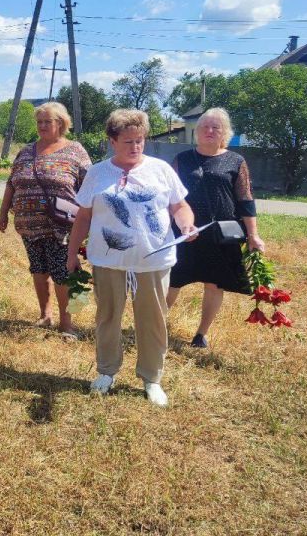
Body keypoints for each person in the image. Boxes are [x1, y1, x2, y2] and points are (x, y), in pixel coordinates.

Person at [66, 109, 197, 407]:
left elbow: (180, 206)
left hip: (153, 261)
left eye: (140, 140)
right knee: (108, 318)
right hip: (108, 261)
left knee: (153, 321)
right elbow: (83, 216)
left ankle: (152, 378)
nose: (136, 146)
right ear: (112, 141)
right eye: (128, 141)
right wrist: (72, 253)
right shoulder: (98, 173)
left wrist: (186, 224)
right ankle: (106, 372)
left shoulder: (161, 169)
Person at [166, 107, 265, 348]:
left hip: (221, 233)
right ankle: (154, 325)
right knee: (173, 280)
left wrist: (253, 234)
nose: (210, 131)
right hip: (185, 231)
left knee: (214, 283)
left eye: (216, 127)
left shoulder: (235, 161)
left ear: (225, 133)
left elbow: (245, 199)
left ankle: (201, 334)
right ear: (196, 132)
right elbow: (170, 197)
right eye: (204, 127)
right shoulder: (182, 159)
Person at [0, 101, 91, 338]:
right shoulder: (26, 150)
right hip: (28, 225)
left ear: (61, 123)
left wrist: (89, 218)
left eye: (47, 121)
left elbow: (90, 186)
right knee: (38, 270)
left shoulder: (75, 151)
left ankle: (67, 324)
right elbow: (11, 183)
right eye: (39, 122)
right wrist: (3, 212)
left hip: (61, 225)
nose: (41, 126)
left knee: (62, 272)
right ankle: (45, 315)